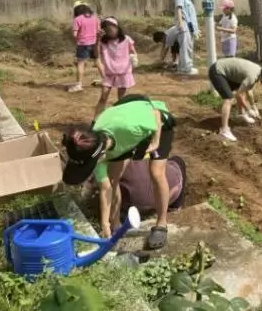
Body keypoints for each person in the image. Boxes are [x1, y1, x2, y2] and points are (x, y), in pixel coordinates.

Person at [61, 95, 176, 249]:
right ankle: (116, 224)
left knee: (156, 172)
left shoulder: (128, 128)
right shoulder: (94, 150)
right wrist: (105, 224)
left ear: (100, 155)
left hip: (156, 122)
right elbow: (106, 188)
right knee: (114, 179)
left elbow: (155, 113)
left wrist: (155, 142)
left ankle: (161, 224)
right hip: (123, 137)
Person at [208, 57, 262, 142]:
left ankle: (241, 114)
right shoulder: (252, 76)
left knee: (242, 91)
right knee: (229, 99)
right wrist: (249, 109)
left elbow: (249, 91)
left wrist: (254, 107)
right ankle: (224, 129)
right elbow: (239, 95)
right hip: (217, 71)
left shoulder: (258, 71)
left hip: (227, 72)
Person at [94, 156, 186, 218]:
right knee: (178, 160)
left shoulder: (103, 164)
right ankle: (174, 207)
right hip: (170, 193)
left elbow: (107, 189)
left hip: (135, 205)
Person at [95, 17, 138, 118]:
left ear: (117, 27)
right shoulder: (103, 42)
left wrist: (134, 59)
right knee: (103, 96)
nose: (109, 31)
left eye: (111, 28)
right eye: (106, 30)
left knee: (121, 98)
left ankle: (121, 118)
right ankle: (96, 120)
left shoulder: (126, 39)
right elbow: (96, 55)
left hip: (123, 72)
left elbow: (133, 52)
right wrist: (97, 40)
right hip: (109, 73)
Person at [69, 1, 103, 93]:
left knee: (81, 63)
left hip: (82, 44)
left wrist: (76, 38)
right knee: (98, 62)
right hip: (94, 43)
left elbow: (75, 34)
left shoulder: (77, 19)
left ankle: (79, 85)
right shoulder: (95, 18)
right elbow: (99, 31)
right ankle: (106, 81)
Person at [174, 0, 200, 75]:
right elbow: (179, 9)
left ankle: (182, 67)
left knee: (187, 46)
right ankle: (186, 68)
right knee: (186, 47)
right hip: (184, 24)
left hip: (188, 26)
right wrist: (180, 23)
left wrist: (194, 30)